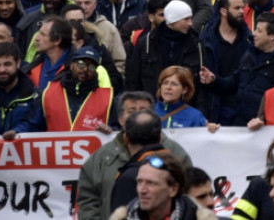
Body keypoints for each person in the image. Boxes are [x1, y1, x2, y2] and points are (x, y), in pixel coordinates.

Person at [76, 91, 193, 220]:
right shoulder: (101, 156)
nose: (138, 115)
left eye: (144, 111)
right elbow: (87, 200)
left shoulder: (175, 153)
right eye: (131, 111)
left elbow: (190, 194)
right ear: (120, 119)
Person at [109, 152, 215, 220]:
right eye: (140, 182)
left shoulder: (199, 217)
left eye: (151, 183)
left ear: (173, 189)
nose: (142, 190)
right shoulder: (122, 217)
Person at [0, 40, 44, 135]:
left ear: (18, 63)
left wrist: (17, 132)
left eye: (7, 64)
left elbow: (35, 122)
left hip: (21, 148)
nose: (2, 70)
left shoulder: (35, 96)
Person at [42, 45, 114, 131]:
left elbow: (117, 131)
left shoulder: (107, 99)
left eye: (91, 67)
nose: (85, 69)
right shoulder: (49, 92)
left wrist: (109, 130)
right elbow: (35, 126)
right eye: (81, 64)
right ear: (72, 65)